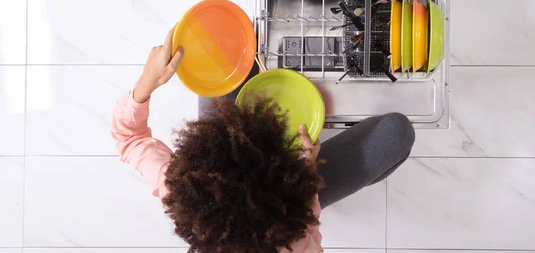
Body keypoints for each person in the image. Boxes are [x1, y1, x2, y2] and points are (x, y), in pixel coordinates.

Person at [112, 26, 415, 253]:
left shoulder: (186, 188)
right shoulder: (295, 241)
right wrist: (307, 173)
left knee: (225, 38)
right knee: (396, 133)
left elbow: (129, 138)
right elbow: (308, 219)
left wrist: (146, 83)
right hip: (292, 200)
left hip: (251, 179)